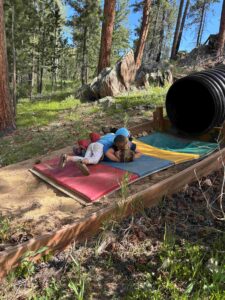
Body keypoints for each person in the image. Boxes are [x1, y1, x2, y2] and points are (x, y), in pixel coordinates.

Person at [58, 128, 140, 175]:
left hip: (94, 144)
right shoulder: (115, 144)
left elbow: (102, 138)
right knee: (95, 160)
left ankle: (67, 158)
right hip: (99, 147)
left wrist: (133, 156)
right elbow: (108, 152)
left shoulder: (113, 136)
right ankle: (83, 159)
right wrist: (117, 159)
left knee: (86, 158)